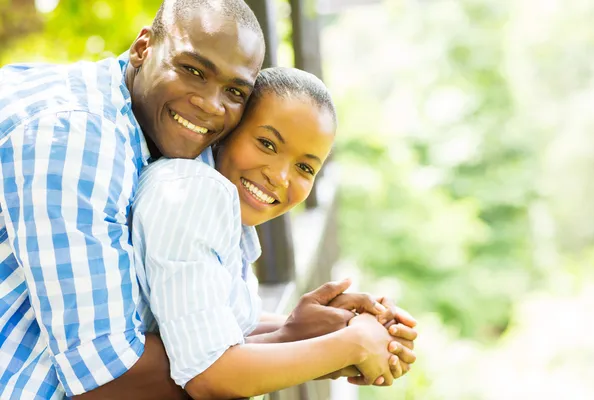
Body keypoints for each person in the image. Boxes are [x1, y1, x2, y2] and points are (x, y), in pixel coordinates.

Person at [0, 0, 414, 398]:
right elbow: (112, 379)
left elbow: (189, 329)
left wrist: (294, 333)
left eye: (234, 92)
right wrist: (343, 348)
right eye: (193, 70)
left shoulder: (157, 132)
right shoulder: (76, 142)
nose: (209, 105)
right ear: (143, 47)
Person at [131, 67, 417, 399]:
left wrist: (319, 326)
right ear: (229, 130)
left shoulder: (225, 216)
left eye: (305, 167)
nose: (281, 177)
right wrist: (351, 345)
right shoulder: (193, 194)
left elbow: (215, 325)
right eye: (267, 143)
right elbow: (209, 375)